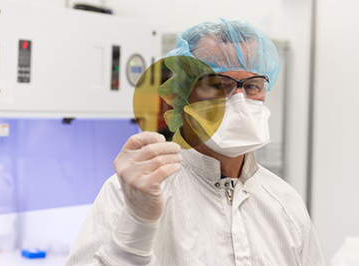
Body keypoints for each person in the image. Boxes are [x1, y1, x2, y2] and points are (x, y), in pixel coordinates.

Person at [66, 18, 325, 266]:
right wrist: (137, 224)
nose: (239, 100)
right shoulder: (134, 191)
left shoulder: (284, 201)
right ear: (182, 94)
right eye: (220, 85)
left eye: (252, 86)